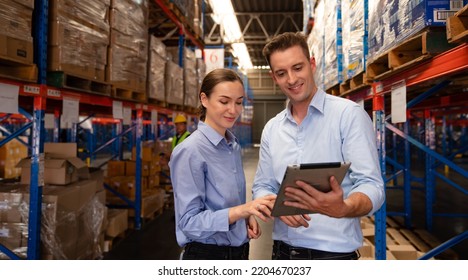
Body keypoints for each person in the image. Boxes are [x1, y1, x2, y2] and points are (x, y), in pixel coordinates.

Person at [252, 32, 385, 260]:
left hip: (334, 256)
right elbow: (262, 186)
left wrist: (344, 207)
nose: (292, 79)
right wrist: (277, 206)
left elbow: (372, 185)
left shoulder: (348, 115)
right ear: (274, 77)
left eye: (298, 68)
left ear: (312, 64)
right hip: (283, 253)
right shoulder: (272, 129)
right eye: (282, 73)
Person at [169, 68, 276, 260]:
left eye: (238, 102)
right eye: (224, 101)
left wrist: (245, 217)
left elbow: (226, 203)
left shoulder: (231, 145)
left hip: (239, 251)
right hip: (207, 255)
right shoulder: (190, 151)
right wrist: (241, 210)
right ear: (204, 99)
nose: (233, 110)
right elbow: (189, 223)